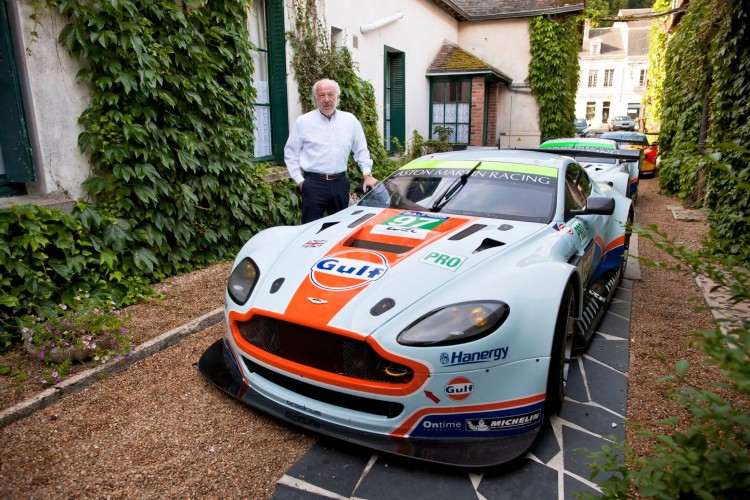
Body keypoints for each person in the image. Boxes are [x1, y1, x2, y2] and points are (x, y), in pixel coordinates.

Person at [284, 79, 378, 224]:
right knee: (310, 229)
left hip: (340, 183)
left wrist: (367, 174)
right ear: (316, 98)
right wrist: (300, 181)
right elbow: (291, 154)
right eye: (321, 95)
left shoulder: (350, 121)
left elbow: (361, 150)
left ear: (337, 97)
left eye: (330, 95)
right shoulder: (303, 122)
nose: (326, 100)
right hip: (313, 184)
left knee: (338, 229)